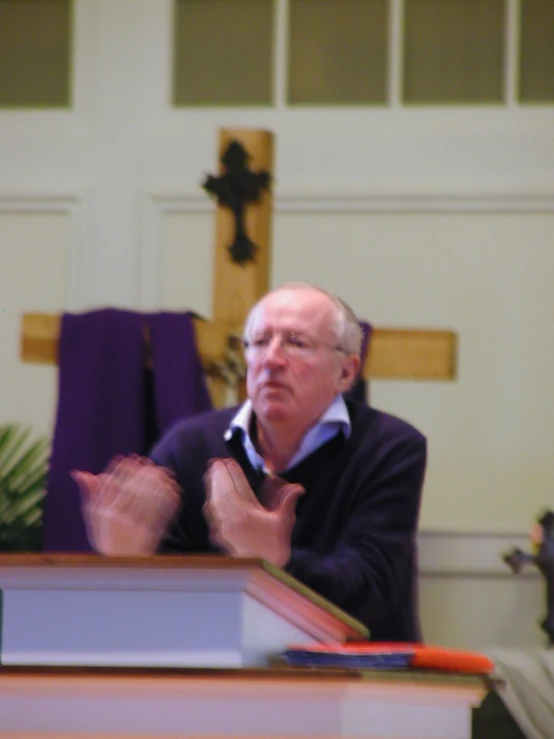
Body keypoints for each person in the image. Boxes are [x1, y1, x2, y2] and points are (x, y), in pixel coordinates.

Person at [73, 284, 427, 641]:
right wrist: (127, 560)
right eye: (259, 342)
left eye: (296, 343)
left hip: (358, 678)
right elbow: (167, 597)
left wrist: (277, 563)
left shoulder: (389, 447)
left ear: (346, 373)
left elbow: (372, 589)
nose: (271, 359)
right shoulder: (190, 444)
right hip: (220, 673)